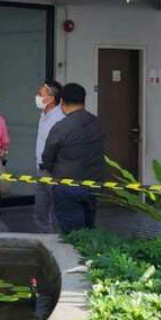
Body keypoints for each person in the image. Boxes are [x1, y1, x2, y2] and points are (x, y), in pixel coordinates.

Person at [40, 83, 105, 234]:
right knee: (88, 229)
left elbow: (47, 157)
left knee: (73, 234)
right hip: (93, 185)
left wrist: (49, 171)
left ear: (62, 101)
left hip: (67, 187)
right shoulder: (96, 123)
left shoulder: (62, 126)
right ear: (84, 100)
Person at [33, 80, 64, 234]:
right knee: (41, 214)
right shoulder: (44, 114)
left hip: (54, 172)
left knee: (59, 213)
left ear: (51, 98)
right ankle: (47, 242)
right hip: (41, 170)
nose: (37, 97)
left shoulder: (59, 118)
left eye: (40, 94)